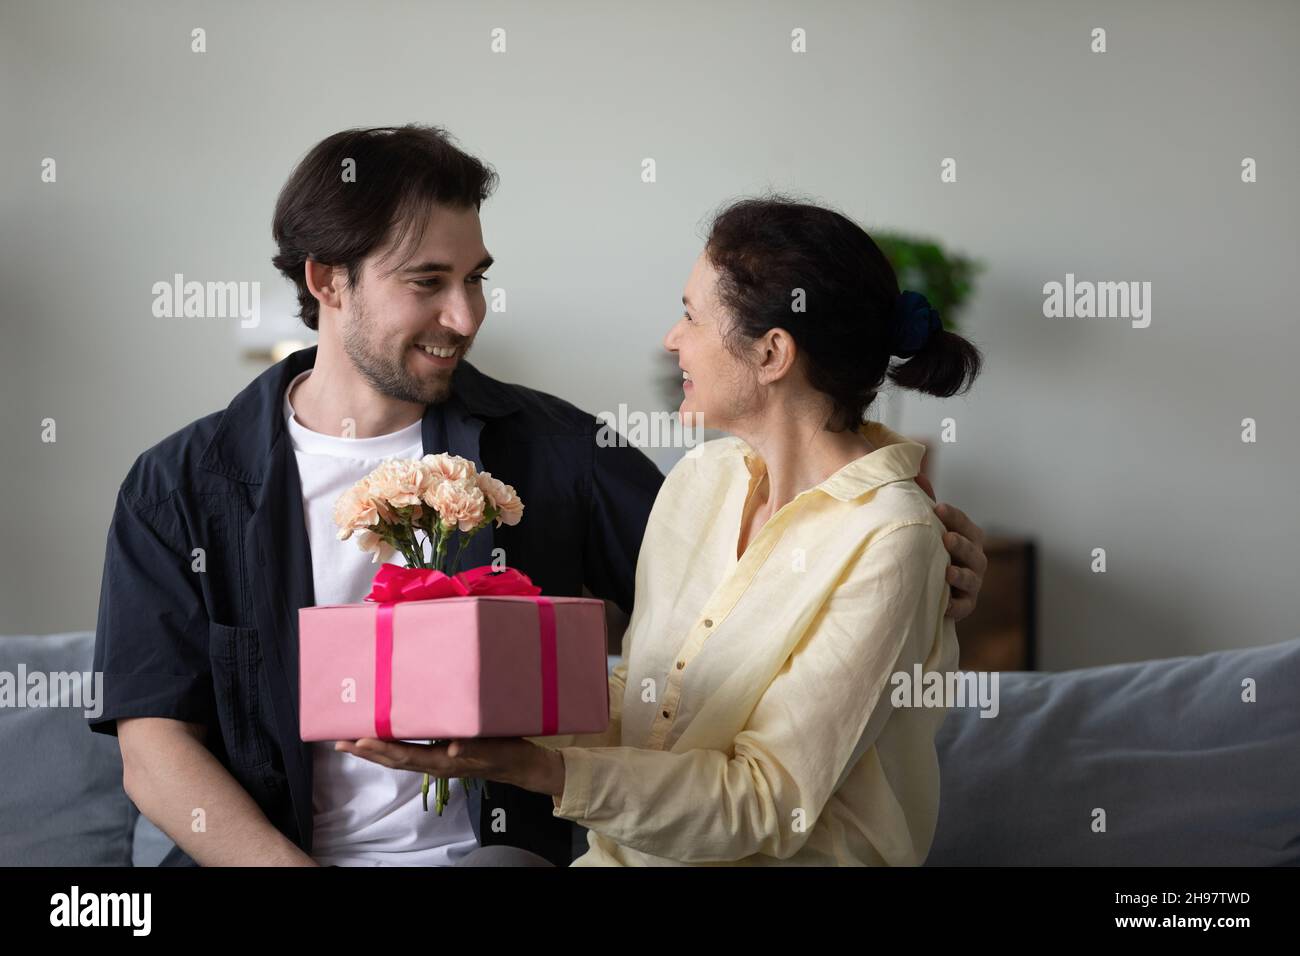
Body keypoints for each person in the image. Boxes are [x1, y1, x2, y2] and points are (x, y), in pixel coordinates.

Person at [89, 125, 988, 866]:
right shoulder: (179, 487)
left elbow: (751, 588)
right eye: (428, 283)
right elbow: (155, 747)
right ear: (328, 282)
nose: (468, 317)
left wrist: (929, 556)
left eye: (475, 277)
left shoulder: (562, 451)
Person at [345, 195, 985, 866]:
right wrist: (485, 718)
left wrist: (539, 772)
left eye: (690, 316)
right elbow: (653, 698)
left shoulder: (891, 539)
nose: (671, 339)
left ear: (772, 352)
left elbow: (769, 802)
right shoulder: (700, 480)